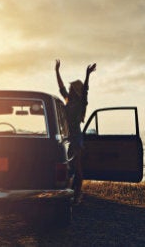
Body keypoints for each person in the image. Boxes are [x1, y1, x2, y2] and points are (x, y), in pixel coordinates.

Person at [55, 59, 96, 204]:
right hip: (67, 138)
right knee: (69, 167)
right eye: (70, 88)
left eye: (72, 88)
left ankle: (77, 195)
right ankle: (71, 193)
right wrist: (57, 71)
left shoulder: (80, 104)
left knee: (77, 168)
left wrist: (87, 75)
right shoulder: (67, 100)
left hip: (76, 139)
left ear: (76, 90)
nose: (70, 89)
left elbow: (85, 92)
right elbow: (60, 88)